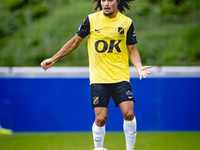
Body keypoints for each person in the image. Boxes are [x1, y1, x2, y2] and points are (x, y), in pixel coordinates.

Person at [41, 0, 151, 149]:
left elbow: (132, 50)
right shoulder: (91, 20)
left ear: (117, 2)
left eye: (109, 0)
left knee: (129, 113)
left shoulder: (126, 22)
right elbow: (74, 42)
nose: (105, 3)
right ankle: (98, 148)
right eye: (103, 0)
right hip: (98, 78)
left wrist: (139, 68)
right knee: (101, 118)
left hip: (120, 77)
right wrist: (53, 59)